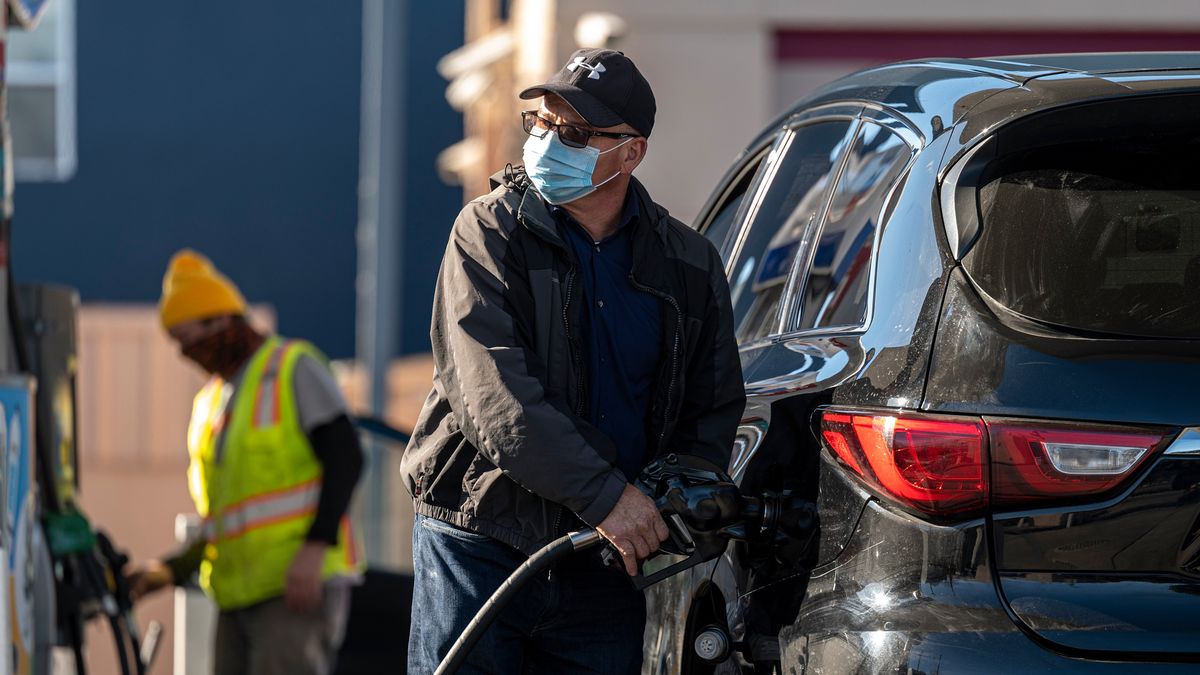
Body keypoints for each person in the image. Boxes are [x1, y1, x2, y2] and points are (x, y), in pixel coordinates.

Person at [402, 48, 745, 674]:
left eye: (577, 133)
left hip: (603, 563)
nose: (549, 141)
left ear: (632, 152)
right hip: (480, 543)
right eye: (543, 122)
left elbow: (713, 408)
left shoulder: (688, 264)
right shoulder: (486, 233)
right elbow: (493, 394)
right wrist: (605, 497)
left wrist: (664, 498)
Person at [126, 250, 365, 675]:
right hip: (237, 595)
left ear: (222, 320)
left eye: (190, 338)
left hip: (294, 589)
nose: (188, 353)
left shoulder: (291, 368)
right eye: (179, 344)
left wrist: (314, 549)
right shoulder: (212, 404)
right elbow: (224, 520)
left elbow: (345, 455)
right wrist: (168, 571)